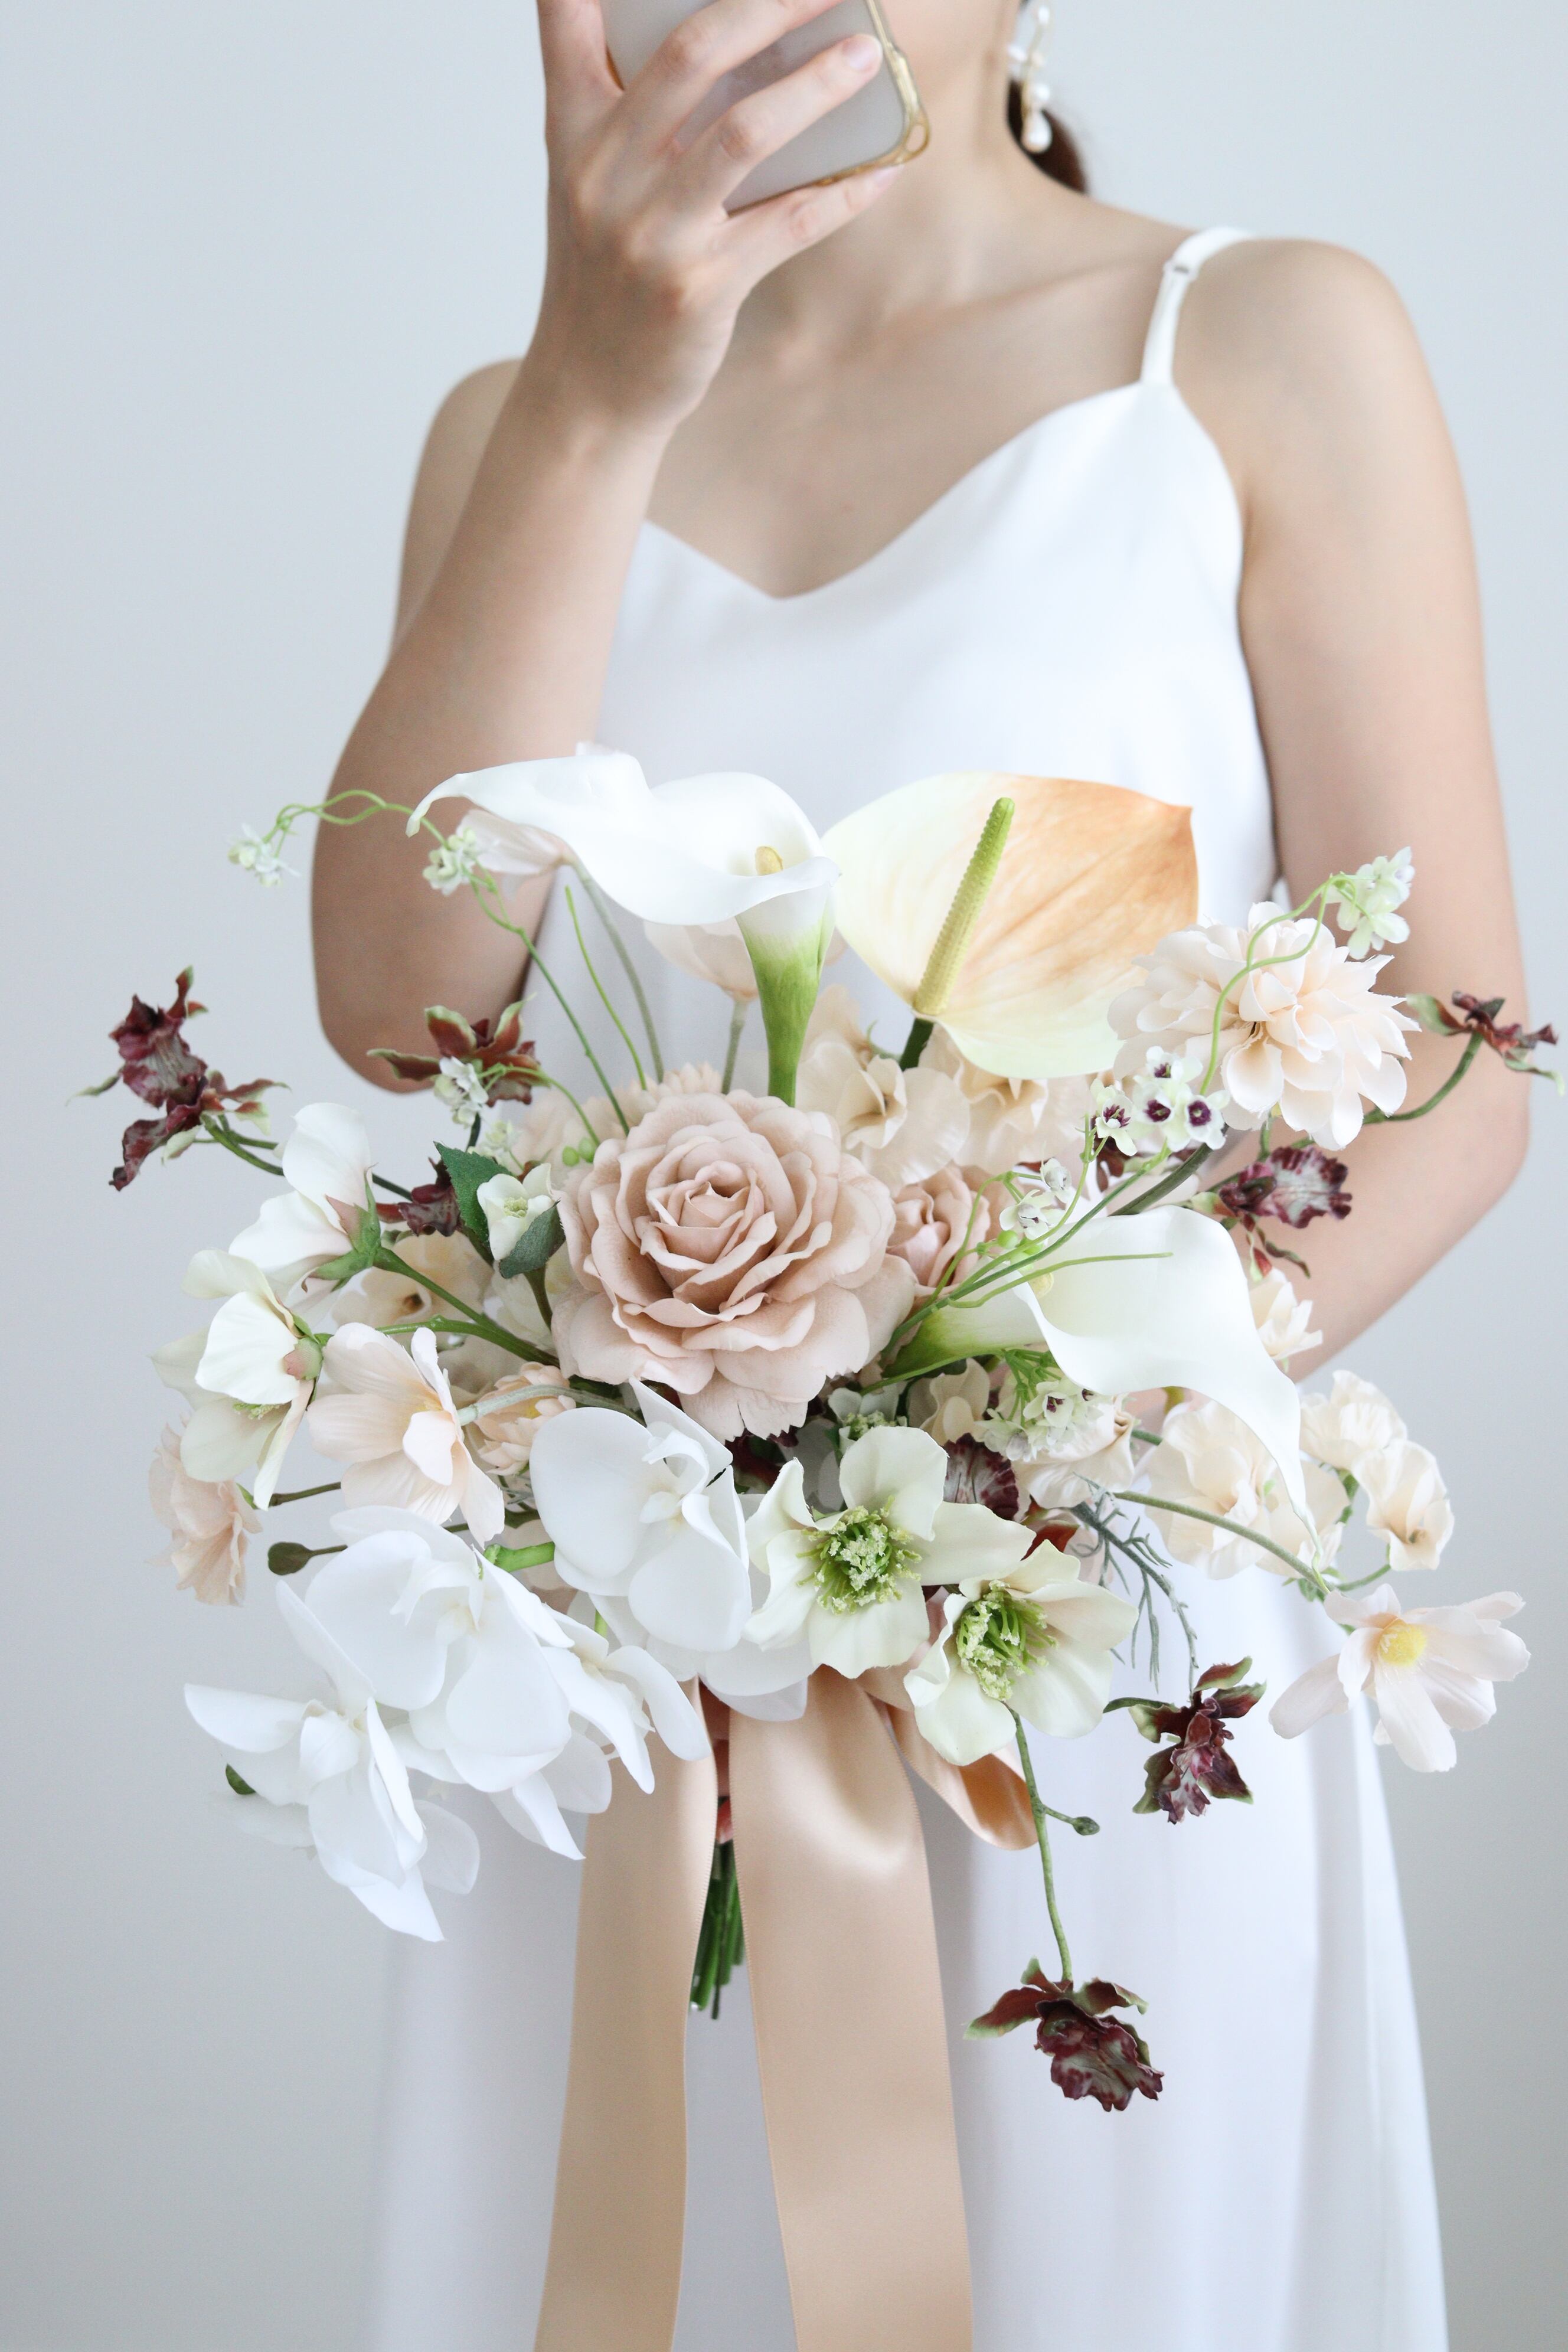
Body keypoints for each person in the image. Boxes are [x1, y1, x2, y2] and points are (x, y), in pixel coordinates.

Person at [313, 4, 1528, 2346]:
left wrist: (1001, 1465)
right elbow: (398, 1002)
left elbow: (1455, 1062)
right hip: (635, 1663)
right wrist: (594, 395)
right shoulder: (509, 429)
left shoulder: (1258, 342)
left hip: (1074, 1639)